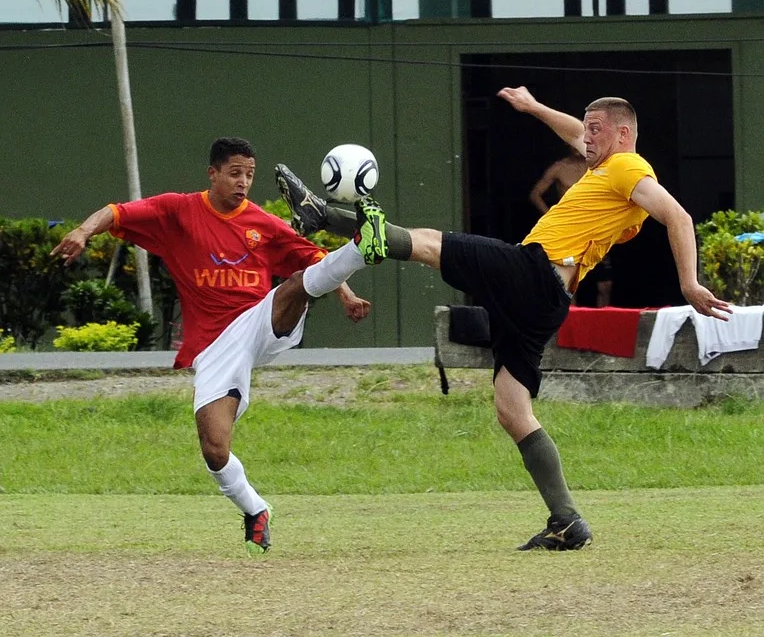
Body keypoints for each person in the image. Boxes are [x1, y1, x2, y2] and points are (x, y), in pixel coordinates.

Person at [274, 87, 731, 551]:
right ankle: (567, 520)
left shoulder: (629, 167)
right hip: (545, 299)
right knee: (513, 410)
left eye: (596, 129)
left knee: (431, 242)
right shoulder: (605, 164)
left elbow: (678, 215)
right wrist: (534, 108)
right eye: (586, 127)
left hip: (534, 273)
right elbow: (574, 131)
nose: (585, 136)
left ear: (623, 133)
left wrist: (689, 284)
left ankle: (328, 216)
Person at [51, 137, 386, 554]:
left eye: (249, 174)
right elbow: (116, 212)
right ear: (213, 174)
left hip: (258, 321)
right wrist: (84, 230)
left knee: (296, 285)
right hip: (215, 347)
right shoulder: (178, 211)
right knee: (214, 448)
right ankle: (256, 509)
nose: (243, 182)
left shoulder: (261, 223)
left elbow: (311, 256)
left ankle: (359, 248)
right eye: (235, 173)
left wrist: (347, 296)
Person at [528, 145, 613, 307]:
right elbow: (535, 194)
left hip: (595, 229)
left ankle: (604, 322)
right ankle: (573, 324)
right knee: (570, 281)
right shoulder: (559, 167)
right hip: (570, 230)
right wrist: (552, 216)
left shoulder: (597, 166)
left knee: (604, 284)